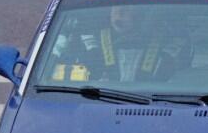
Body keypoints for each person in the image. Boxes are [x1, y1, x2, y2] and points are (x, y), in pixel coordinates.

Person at [52, 5, 192, 83]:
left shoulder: (171, 45)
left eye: (127, 8)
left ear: (142, 15)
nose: (118, 13)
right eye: (115, 8)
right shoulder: (83, 39)